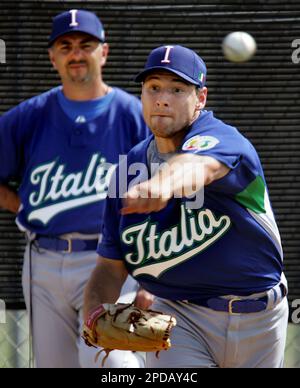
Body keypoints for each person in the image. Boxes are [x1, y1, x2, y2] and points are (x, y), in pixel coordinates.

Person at [83, 45, 289, 368]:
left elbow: (199, 166)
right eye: (153, 88)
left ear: (201, 98)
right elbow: (110, 266)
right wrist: (94, 313)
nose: (162, 99)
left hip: (259, 320)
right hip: (181, 318)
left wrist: (163, 184)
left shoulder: (224, 140)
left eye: (177, 89)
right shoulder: (126, 170)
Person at [0, 9, 151, 368]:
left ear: (104, 52)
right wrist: (21, 206)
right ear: (53, 57)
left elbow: (172, 194)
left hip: (113, 261)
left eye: (86, 44)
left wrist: (154, 277)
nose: (76, 53)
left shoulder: (134, 115)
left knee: (114, 364)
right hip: (43, 262)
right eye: (65, 46)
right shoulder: (29, 116)